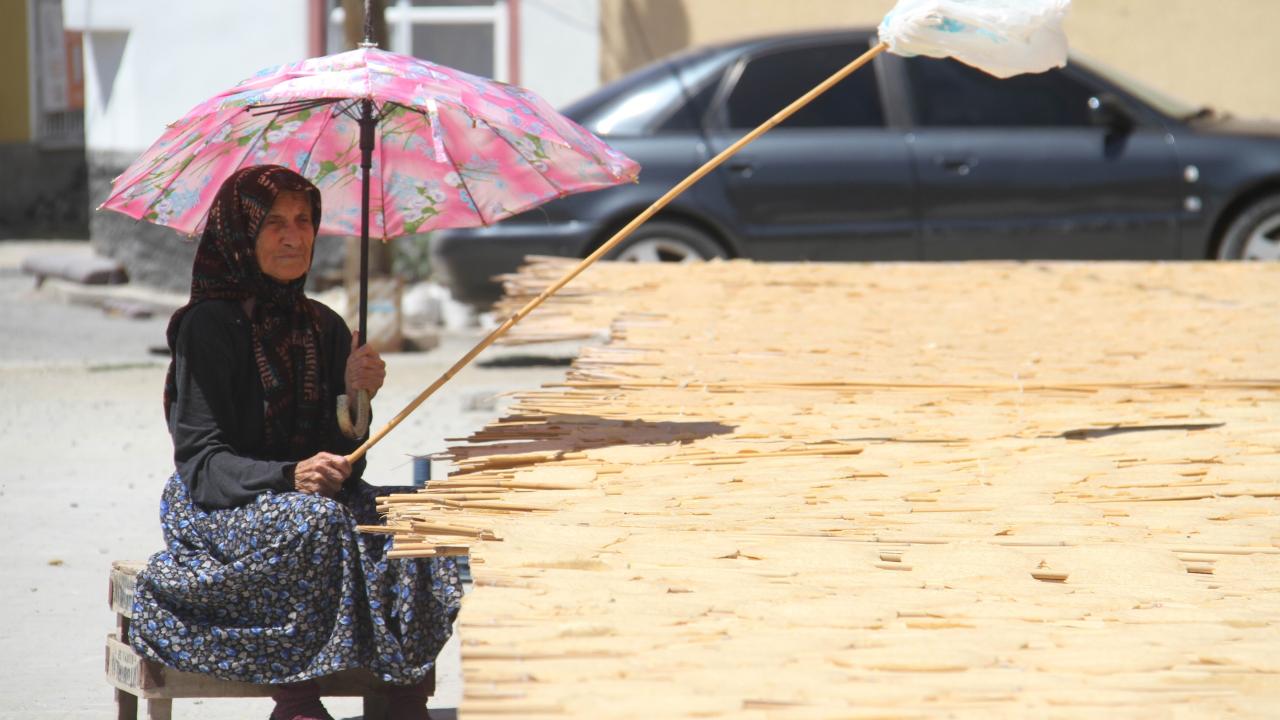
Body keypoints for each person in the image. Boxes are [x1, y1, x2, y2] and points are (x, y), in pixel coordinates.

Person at [130, 165, 460, 720]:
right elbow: (202, 463)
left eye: (304, 220)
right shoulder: (207, 326)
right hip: (219, 504)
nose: (294, 236)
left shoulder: (324, 327)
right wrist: (289, 476)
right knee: (315, 521)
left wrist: (355, 403)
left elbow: (344, 465)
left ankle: (404, 693)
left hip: (308, 498)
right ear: (240, 234)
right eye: (275, 223)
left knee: (418, 518)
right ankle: (297, 700)